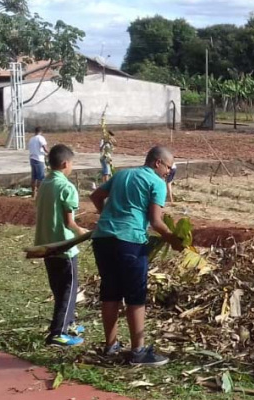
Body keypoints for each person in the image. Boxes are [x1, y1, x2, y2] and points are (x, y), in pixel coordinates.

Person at [90, 146, 185, 367]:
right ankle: (138, 352)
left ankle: (111, 346)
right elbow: (156, 221)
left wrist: (104, 215)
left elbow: (96, 195)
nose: (168, 173)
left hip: (103, 238)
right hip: (130, 242)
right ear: (157, 163)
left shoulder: (122, 174)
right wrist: (173, 239)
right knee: (135, 296)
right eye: (168, 167)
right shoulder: (156, 183)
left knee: (110, 293)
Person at [34, 144, 88, 347]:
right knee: (69, 289)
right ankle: (58, 333)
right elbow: (69, 222)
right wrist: (82, 232)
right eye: (72, 163)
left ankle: (70, 322)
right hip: (65, 248)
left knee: (59, 288)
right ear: (66, 163)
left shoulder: (45, 183)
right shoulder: (66, 187)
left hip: (46, 245)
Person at [27, 127, 49, 198]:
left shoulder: (31, 139)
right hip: (39, 159)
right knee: (41, 178)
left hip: (32, 159)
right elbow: (45, 148)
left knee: (34, 177)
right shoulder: (40, 138)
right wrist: (50, 153)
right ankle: (40, 194)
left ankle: (33, 193)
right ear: (41, 131)